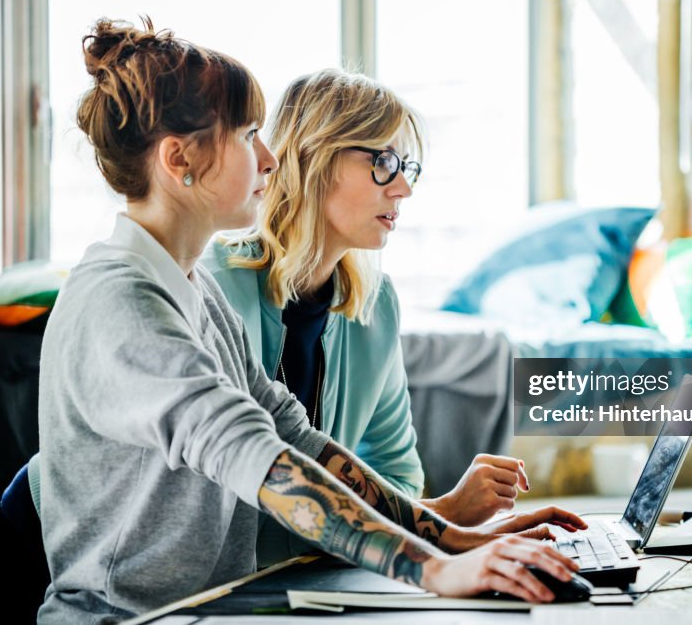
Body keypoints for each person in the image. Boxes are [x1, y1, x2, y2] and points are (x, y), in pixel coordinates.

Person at [35, 18, 585, 623]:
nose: (271, 158)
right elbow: (252, 452)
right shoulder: (123, 301)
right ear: (180, 160)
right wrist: (434, 568)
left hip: (210, 609)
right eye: (248, 136)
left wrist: (451, 535)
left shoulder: (193, 292)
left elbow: (295, 439)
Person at [201, 69, 530, 534]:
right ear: (314, 157)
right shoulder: (213, 285)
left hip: (325, 574)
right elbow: (227, 503)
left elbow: (398, 476)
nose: (403, 188)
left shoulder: (375, 306)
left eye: (407, 168)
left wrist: (444, 521)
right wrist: (445, 518)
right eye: (384, 163)